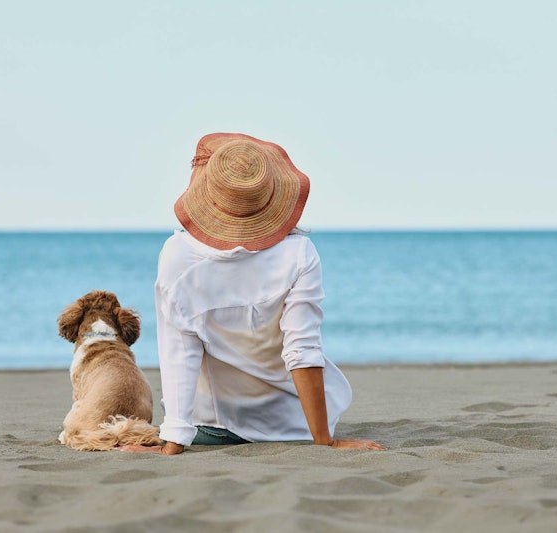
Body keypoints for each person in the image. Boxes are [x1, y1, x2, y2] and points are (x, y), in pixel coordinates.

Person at [122, 132, 386, 455]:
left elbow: (180, 353)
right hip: (296, 427)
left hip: (218, 427)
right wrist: (325, 441)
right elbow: (302, 349)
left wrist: (173, 443)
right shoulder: (299, 254)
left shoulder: (178, 256)